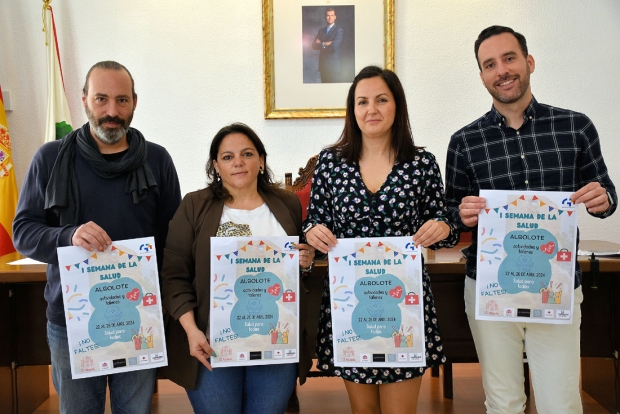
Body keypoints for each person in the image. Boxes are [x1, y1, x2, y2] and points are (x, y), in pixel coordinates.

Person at [445, 25, 617, 414]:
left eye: (509, 58)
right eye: (490, 64)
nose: (502, 70)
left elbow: (605, 195)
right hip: (490, 290)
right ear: (482, 75)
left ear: (529, 62)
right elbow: (449, 216)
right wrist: (460, 214)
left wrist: (602, 197)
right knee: (503, 402)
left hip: (554, 286)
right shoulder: (464, 141)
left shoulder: (576, 127)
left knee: (561, 402)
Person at [13, 60, 182, 414]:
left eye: (121, 101)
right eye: (101, 99)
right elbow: (23, 232)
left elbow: (173, 240)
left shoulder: (157, 159)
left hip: (138, 315)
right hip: (72, 319)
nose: (111, 111)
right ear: (85, 99)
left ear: (134, 102)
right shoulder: (50, 158)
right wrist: (68, 235)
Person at [303, 66, 459, 413]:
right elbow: (313, 222)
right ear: (352, 109)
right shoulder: (330, 163)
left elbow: (444, 223)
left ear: (397, 106)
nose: (371, 109)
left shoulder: (421, 163)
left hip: (402, 303)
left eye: (381, 100)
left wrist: (442, 228)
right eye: (362, 102)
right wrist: (312, 231)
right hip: (350, 305)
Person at [159, 123, 315, 414]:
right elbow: (174, 276)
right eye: (228, 157)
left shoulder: (287, 203)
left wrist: (305, 260)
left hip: (274, 341)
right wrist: (192, 332)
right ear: (216, 165)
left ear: (261, 160)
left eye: (247, 153)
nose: (238, 162)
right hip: (211, 342)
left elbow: (296, 265)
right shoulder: (194, 205)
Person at [312, 7, 344, 83]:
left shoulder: (339, 30)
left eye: (332, 15)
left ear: (335, 17)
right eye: (328, 15)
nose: (330, 17)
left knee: (335, 91)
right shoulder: (321, 31)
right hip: (323, 66)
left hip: (334, 67)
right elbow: (314, 45)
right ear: (325, 17)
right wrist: (325, 43)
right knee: (324, 92)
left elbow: (333, 47)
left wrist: (320, 43)